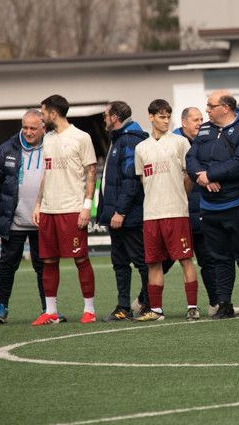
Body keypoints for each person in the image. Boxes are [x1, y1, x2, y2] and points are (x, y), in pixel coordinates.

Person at [186, 90, 239, 319]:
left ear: (226, 108)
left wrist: (210, 175)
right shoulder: (206, 129)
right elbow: (191, 157)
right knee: (219, 259)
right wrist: (202, 177)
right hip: (209, 207)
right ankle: (224, 304)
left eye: (211, 106)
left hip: (236, 204)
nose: (206, 110)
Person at [0, 109, 50, 324]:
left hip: (43, 220)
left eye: (33, 128)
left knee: (44, 266)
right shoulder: (7, 148)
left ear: (43, 128)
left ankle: (49, 308)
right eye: (25, 127)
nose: (28, 132)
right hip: (13, 220)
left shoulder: (52, 146)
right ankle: (1, 306)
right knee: (7, 265)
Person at [32, 94, 98, 325]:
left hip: (72, 209)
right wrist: (38, 204)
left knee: (80, 259)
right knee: (48, 261)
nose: (41, 117)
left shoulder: (81, 137)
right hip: (49, 210)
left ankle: (89, 310)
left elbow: (91, 172)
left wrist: (86, 207)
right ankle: (51, 312)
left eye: (43, 112)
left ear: (53, 113)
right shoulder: (47, 139)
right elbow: (46, 173)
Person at [134, 100, 200, 322]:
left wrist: (180, 196)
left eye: (168, 117)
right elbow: (143, 180)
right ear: (151, 117)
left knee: (185, 259)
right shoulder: (141, 148)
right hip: (151, 214)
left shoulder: (180, 142)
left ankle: (192, 307)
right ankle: (157, 310)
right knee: (153, 262)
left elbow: (189, 175)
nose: (165, 121)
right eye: (161, 117)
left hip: (176, 212)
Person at [97, 101, 150, 321]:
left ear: (115, 117)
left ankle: (149, 305)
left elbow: (131, 179)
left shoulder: (129, 139)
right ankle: (123, 307)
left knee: (140, 261)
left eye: (105, 115)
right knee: (120, 263)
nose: (104, 119)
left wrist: (120, 212)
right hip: (117, 215)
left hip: (128, 216)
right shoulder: (119, 138)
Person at [174, 107, 226, 316]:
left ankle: (216, 304)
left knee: (208, 259)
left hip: (200, 212)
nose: (200, 123)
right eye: (195, 119)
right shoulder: (173, 143)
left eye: (201, 119)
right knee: (164, 260)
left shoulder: (205, 141)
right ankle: (144, 301)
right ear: (184, 122)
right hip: (176, 213)